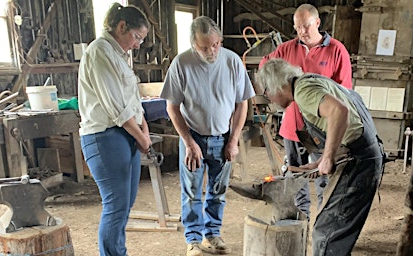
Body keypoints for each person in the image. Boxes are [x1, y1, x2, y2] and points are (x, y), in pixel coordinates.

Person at [256, 58, 384, 256]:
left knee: (327, 234)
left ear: (276, 85)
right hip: (362, 157)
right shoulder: (312, 80)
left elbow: (339, 111)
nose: (269, 98)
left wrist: (328, 157)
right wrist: (322, 159)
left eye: (266, 92)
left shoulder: (303, 91)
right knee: (334, 232)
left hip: (359, 163)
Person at [161, 16, 255, 256]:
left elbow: (242, 103)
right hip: (193, 136)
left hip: (222, 137)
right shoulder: (181, 64)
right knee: (192, 190)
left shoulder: (232, 61)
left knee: (218, 189)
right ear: (194, 43)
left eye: (216, 44)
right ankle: (193, 239)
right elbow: (172, 107)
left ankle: (212, 233)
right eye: (204, 47)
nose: (212, 51)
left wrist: (233, 139)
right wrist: (189, 142)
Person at [259, 3, 353, 218]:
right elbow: (266, 66)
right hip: (293, 126)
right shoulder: (286, 49)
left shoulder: (337, 50)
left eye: (306, 26)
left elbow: (345, 92)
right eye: (297, 27)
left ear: (317, 23)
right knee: (296, 177)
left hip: (321, 129)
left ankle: (322, 220)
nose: (301, 32)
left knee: (323, 175)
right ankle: (301, 220)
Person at [77, 3, 152, 256]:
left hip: (124, 134)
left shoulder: (118, 54)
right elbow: (116, 107)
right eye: (137, 37)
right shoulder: (99, 51)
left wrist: (145, 130)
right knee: (116, 205)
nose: (138, 44)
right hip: (105, 136)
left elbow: (133, 101)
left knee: (125, 203)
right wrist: (141, 136)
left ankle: (118, 252)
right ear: (122, 27)